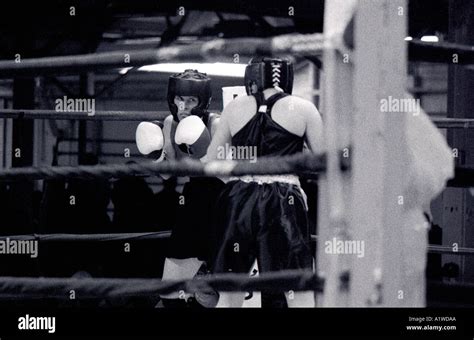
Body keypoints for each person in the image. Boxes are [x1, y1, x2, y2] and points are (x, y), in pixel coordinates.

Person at [206, 57, 324, 307]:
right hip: (283, 200)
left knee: (230, 289)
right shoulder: (303, 108)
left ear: (251, 78)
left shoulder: (235, 108)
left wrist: (242, 175)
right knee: (298, 289)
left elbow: (210, 162)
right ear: (287, 77)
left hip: (239, 198)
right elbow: (324, 163)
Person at [136, 69, 224, 307]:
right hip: (195, 199)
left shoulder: (215, 123)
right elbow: (167, 173)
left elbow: (228, 175)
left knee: (216, 296)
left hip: (224, 200)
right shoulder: (169, 122)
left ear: (202, 102)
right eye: (179, 99)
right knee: (170, 291)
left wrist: (200, 153)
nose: (183, 106)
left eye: (191, 100)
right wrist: (155, 155)